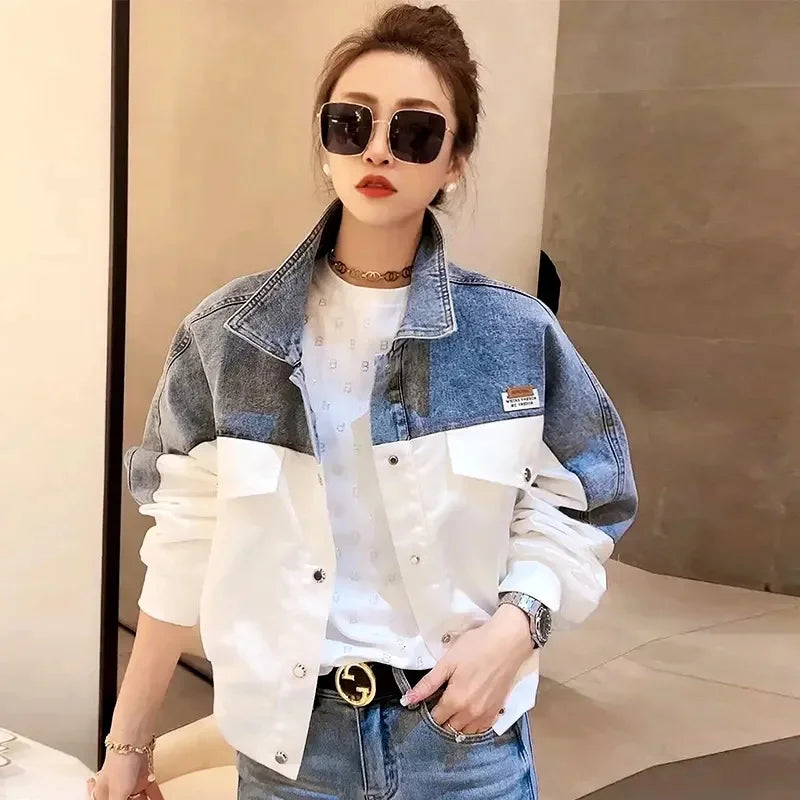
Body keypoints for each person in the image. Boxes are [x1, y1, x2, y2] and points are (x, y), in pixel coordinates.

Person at [89, 4, 637, 799]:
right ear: (325, 144)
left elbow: (583, 505)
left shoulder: (515, 336)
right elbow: (182, 546)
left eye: (415, 131)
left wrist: (517, 628)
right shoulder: (228, 338)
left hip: (465, 747)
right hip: (292, 754)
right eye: (351, 123)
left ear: (454, 160)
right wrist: (128, 743)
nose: (378, 148)